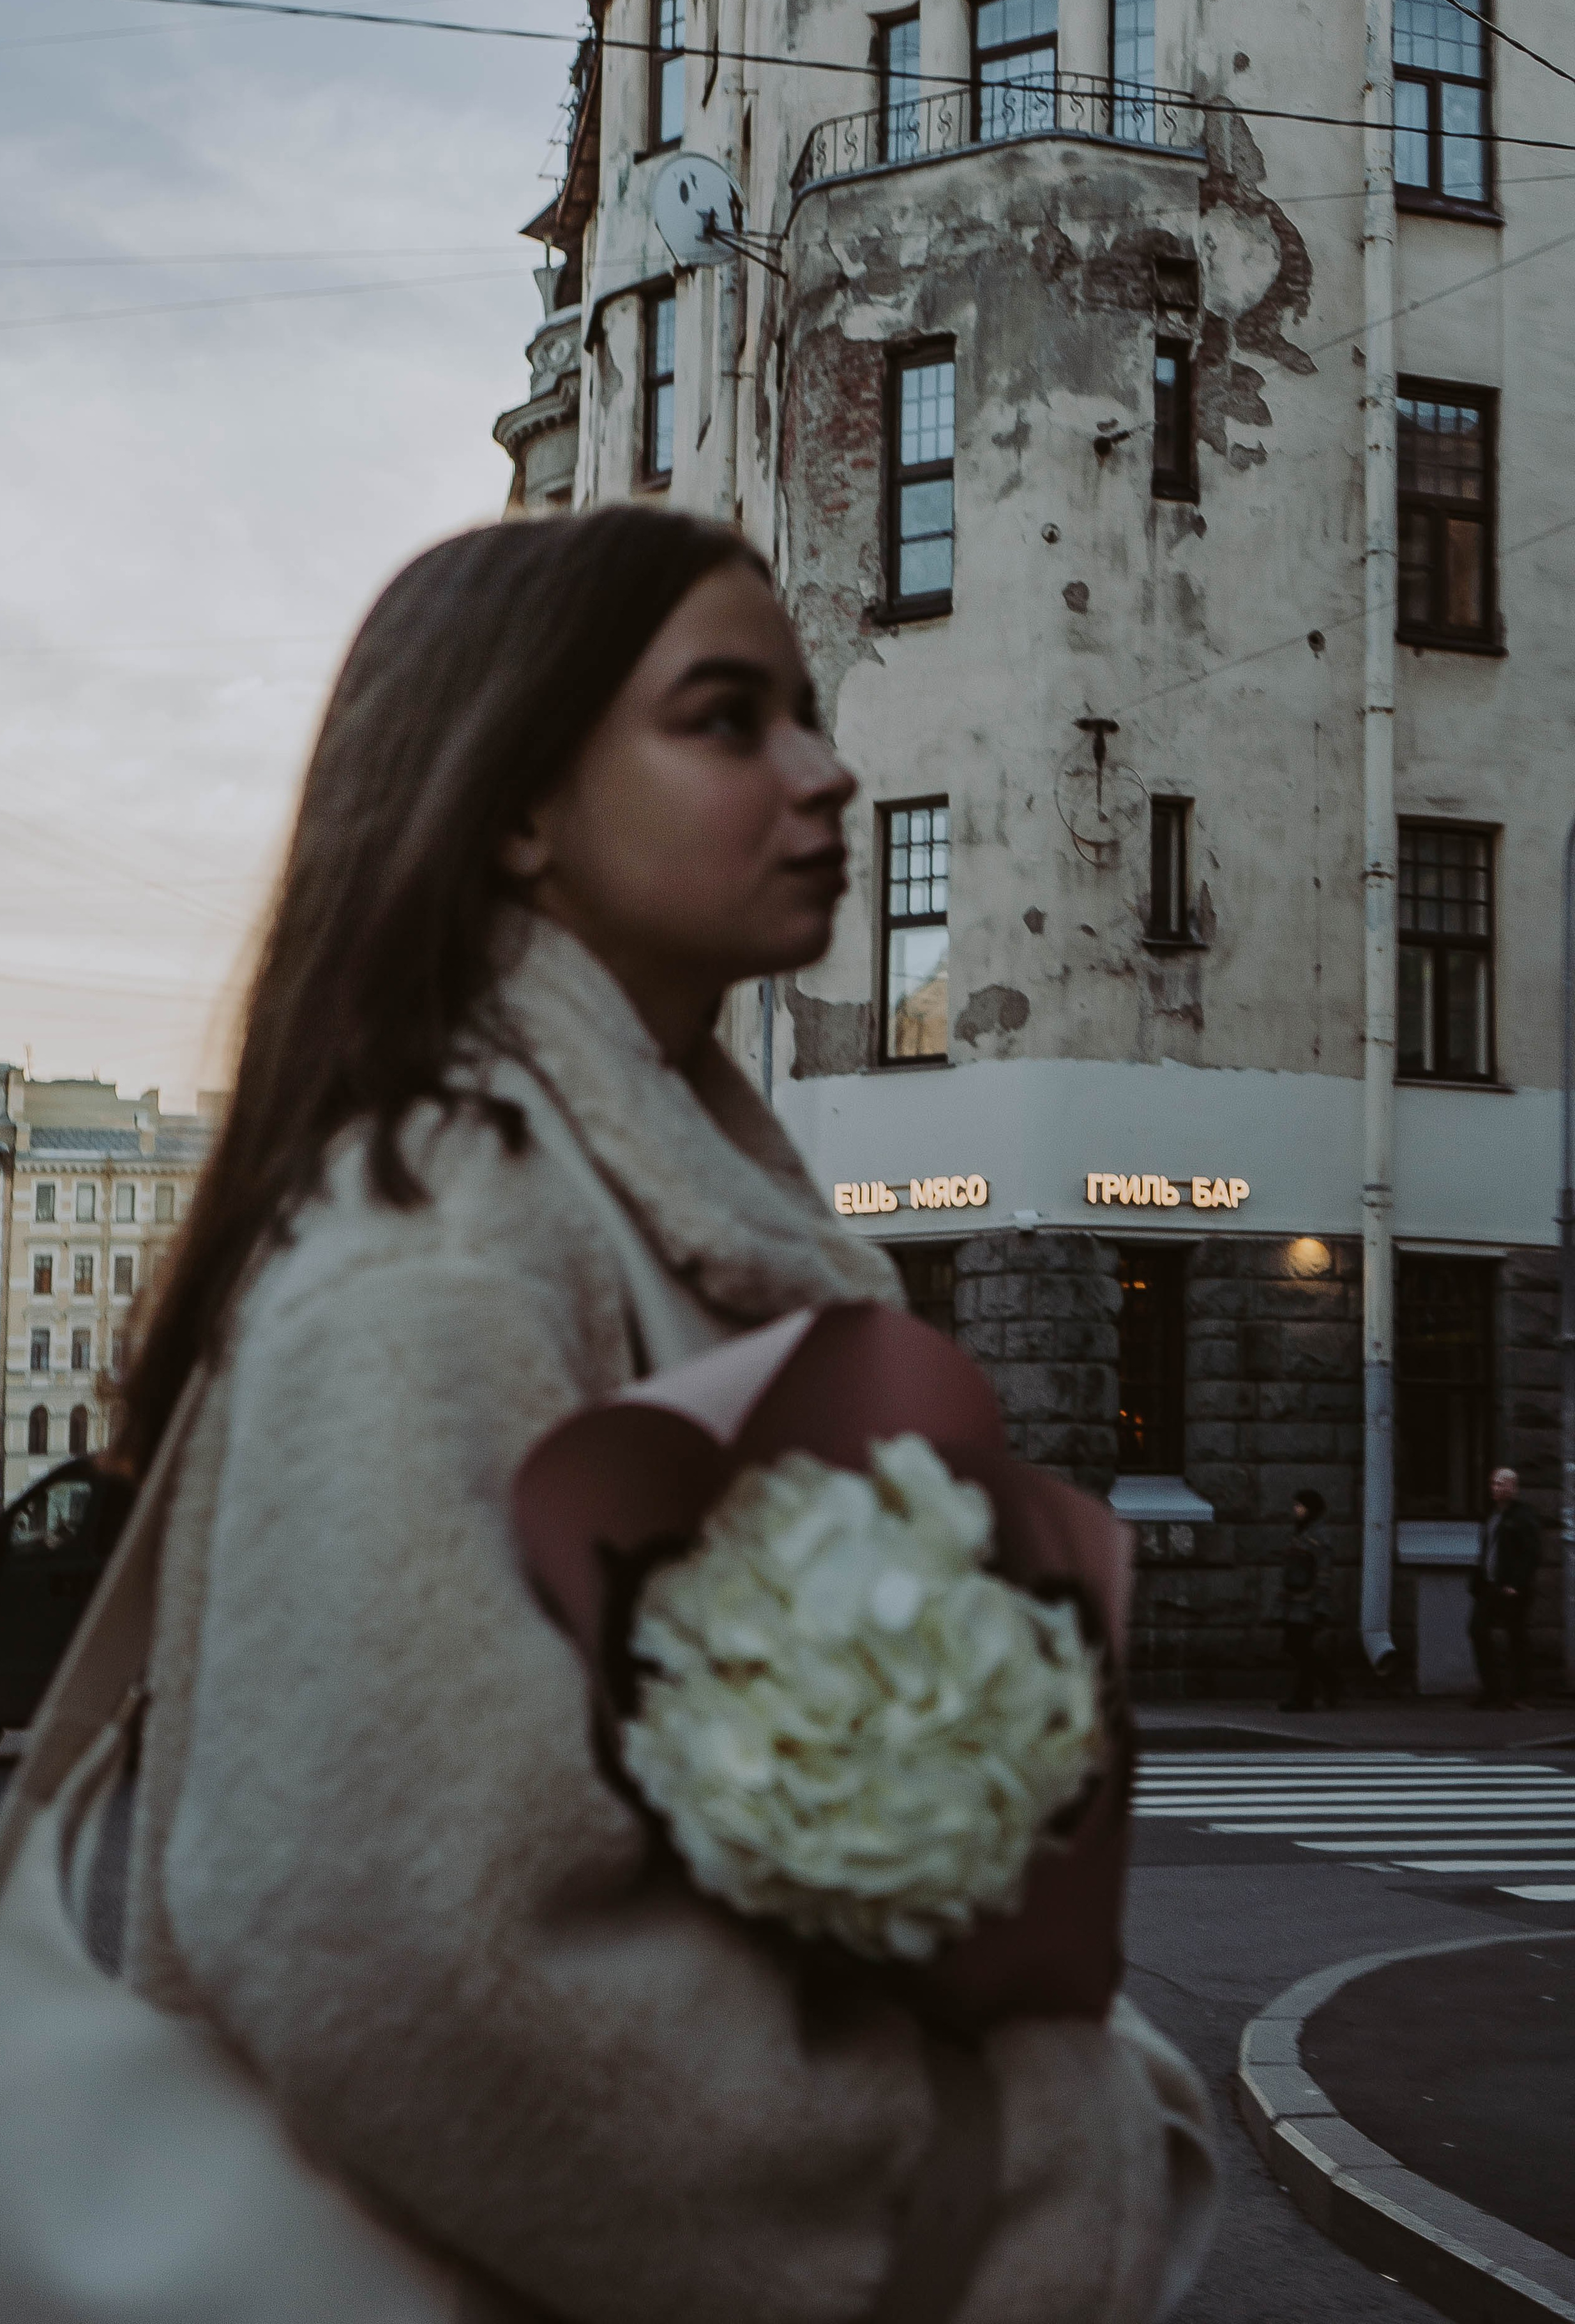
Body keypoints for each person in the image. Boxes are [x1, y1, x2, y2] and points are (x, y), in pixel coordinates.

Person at [117, 510, 1215, 2323]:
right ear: (519, 805)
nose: (829, 770)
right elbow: (405, 1956)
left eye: (809, 709)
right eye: (730, 719)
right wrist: (1000, 2183)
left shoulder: (643, 1200)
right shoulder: (446, 1242)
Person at [1469, 1466, 1541, 1707]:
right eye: (1494, 1484)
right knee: (1478, 1629)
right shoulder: (1493, 1516)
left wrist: (1516, 1584)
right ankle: (1492, 1690)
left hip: (1511, 1589)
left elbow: (1531, 1553)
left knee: (1516, 1636)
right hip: (1490, 1586)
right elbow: (1488, 1551)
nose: (1496, 1488)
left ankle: (1519, 1692)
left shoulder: (1523, 1517)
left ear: (1514, 1488)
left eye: (1502, 1484)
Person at [1278, 1487, 1336, 1711]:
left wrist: (1320, 1604)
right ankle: (1329, 1680)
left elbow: (1324, 1572)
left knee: (1300, 1648)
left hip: (1309, 1603)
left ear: (1311, 1509)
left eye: (1299, 1506)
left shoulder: (1318, 1536)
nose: (1296, 1510)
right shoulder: (1301, 1532)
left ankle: (1305, 1698)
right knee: (1295, 1647)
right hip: (1295, 1603)